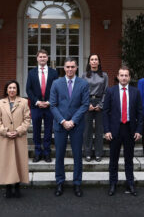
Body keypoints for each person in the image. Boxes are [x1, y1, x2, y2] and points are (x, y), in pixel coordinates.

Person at [50, 57, 89, 197]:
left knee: (77, 155)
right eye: (68, 67)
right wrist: (62, 121)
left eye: (73, 66)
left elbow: (85, 105)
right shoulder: (56, 83)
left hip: (77, 125)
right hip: (60, 125)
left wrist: (73, 121)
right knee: (59, 155)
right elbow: (53, 105)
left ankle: (77, 183)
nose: (70, 69)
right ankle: (60, 182)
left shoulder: (83, 84)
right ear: (64, 68)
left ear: (77, 67)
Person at [103, 66, 143, 196]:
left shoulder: (135, 92)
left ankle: (130, 183)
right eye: (121, 75)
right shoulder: (110, 91)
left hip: (130, 129)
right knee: (113, 159)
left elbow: (140, 113)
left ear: (129, 77)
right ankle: (113, 183)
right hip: (115, 130)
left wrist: (139, 130)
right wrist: (107, 130)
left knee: (129, 159)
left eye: (126, 75)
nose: (124, 77)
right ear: (118, 76)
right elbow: (106, 112)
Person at [0, 80, 31, 198]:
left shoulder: (24, 102)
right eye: (10, 88)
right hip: (6, 138)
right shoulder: (0, 103)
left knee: (19, 163)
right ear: (6, 89)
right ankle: (8, 188)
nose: (12, 90)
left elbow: (27, 119)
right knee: (7, 164)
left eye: (14, 88)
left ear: (17, 90)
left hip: (19, 137)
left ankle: (17, 187)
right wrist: (5, 131)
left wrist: (18, 131)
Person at [26, 49, 58, 163]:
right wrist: (37, 102)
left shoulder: (54, 73)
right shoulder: (31, 73)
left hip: (50, 107)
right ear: (37, 58)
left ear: (47, 58)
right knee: (36, 131)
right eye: (40, 57)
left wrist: (50, 101)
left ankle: (47, 153)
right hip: (36, 107)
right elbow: (28, 90)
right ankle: (38, 153)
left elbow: (56, 89)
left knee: (49, 131)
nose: (43, 58)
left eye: (44, 56)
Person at [81, 54, 108, 162]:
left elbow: (106, 91)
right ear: (89, 62)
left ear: (99, 62)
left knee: (99, 130)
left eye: (96, 59)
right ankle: (87, 153)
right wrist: (87, 104)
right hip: (88, 102)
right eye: (92, 59)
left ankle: (98, 153)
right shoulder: (84, 76)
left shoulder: (104, 75)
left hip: (99, 102)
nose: (94, 61)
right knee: (87, 129)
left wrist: (101, 105)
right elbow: (82, 92)